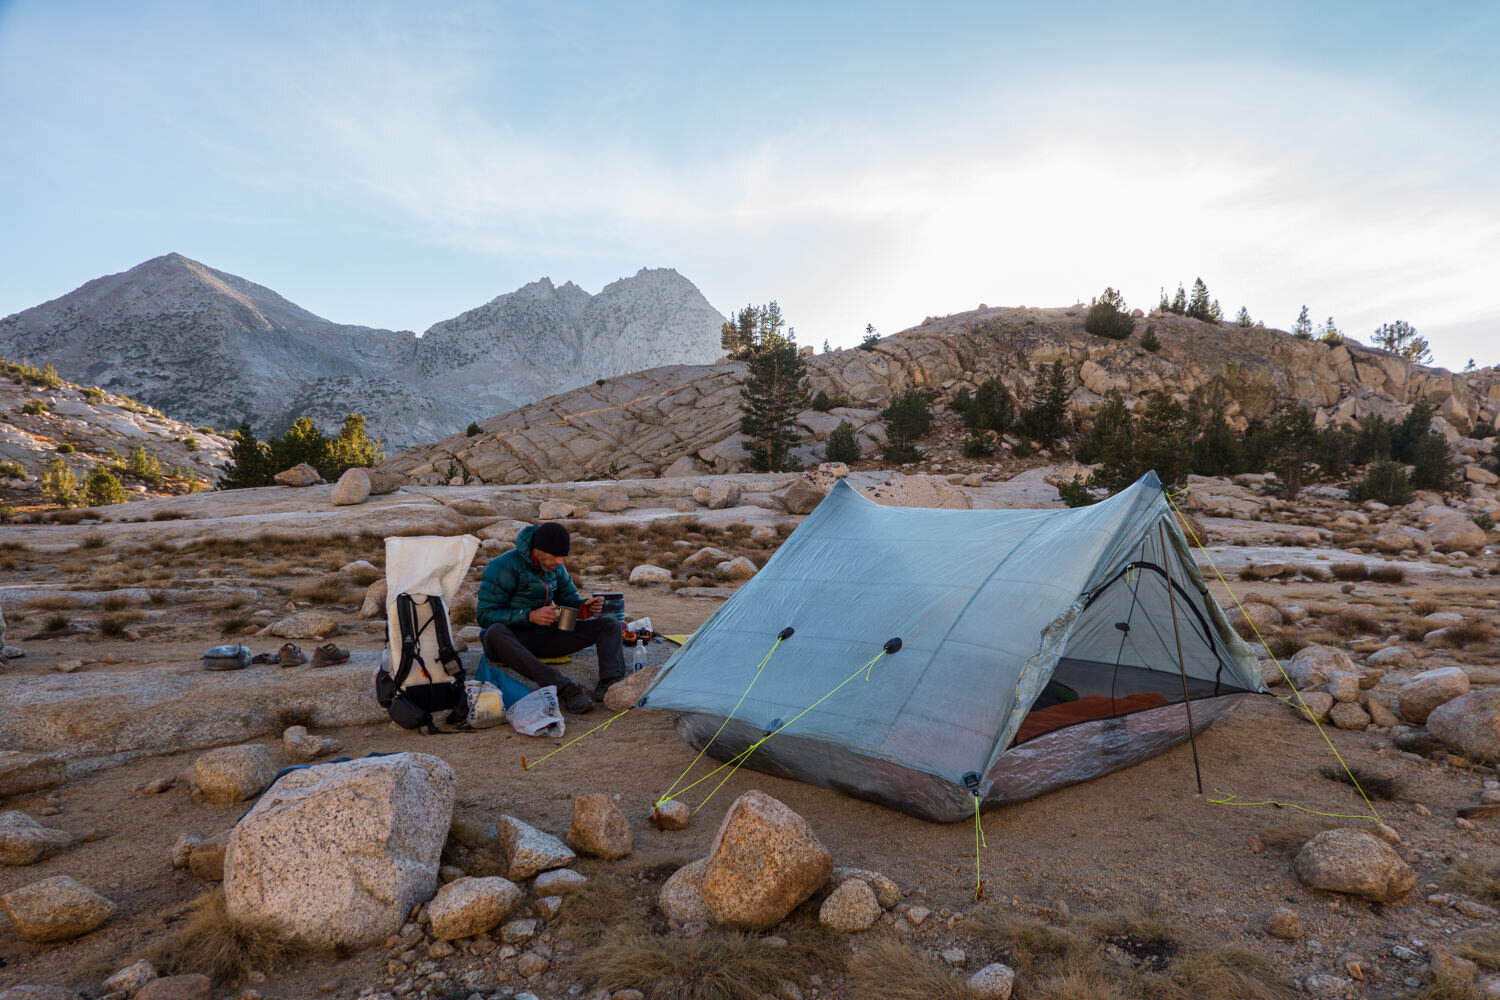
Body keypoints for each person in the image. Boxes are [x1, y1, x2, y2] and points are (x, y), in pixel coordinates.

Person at [477, 522, 626, 713]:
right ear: (538, 550)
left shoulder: (555, 567)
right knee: (494, 632)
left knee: (609, 624)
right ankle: (565, 689)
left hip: (544, 635)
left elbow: (569, 599)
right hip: (511, 641)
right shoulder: (502, 567)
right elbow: (484, 616)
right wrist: (529, 616)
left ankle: (610, 683)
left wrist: (584, 607)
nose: (559, 562)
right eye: (555, 556)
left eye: (562, 557)